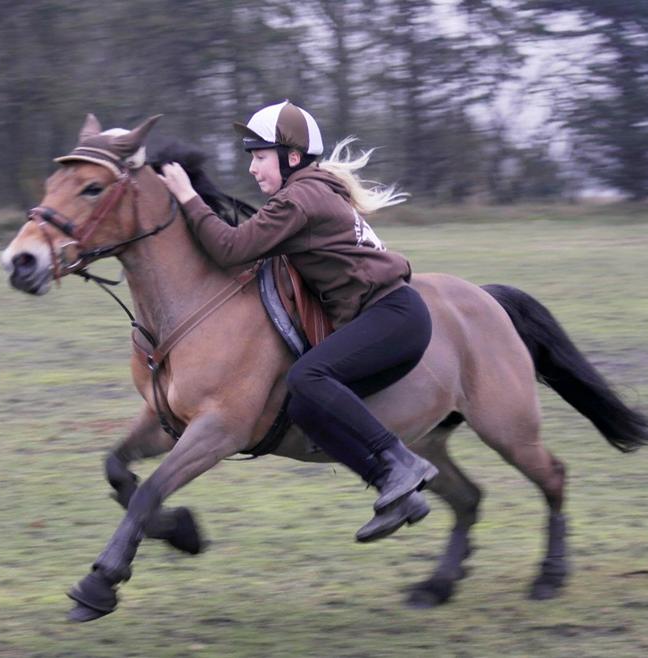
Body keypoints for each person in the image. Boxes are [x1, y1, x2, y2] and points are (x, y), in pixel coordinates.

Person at [158, 100, 438, 543]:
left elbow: (231, 248)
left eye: (260, 156)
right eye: (251, 158)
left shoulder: (301, 197)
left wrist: (188, 197)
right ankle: (396, 490)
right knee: (304, 404)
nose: (252, 169)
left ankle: (403, 463)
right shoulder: (310, 191)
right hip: (391, 316)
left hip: (394, 316)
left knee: (308, 376)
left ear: (291, 158)